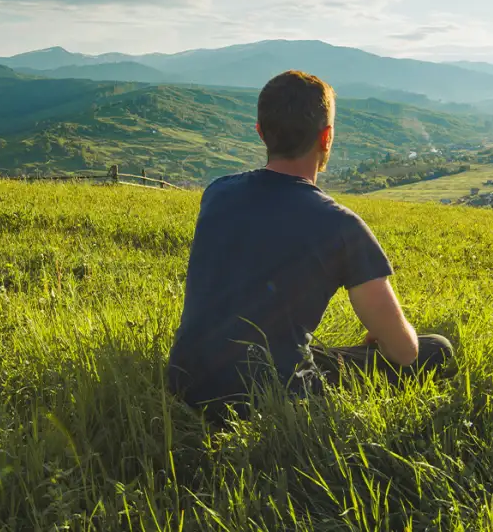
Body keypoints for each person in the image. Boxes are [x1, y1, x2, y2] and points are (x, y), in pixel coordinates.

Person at [166, 70, 455, 420]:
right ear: (327, 137)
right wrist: (388, 334)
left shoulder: (217, 192)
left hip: (184, 383)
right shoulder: (341, 226)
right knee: (436, 349)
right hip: (267, 397)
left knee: (306, 353)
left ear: (261, 133)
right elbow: (405, 353)